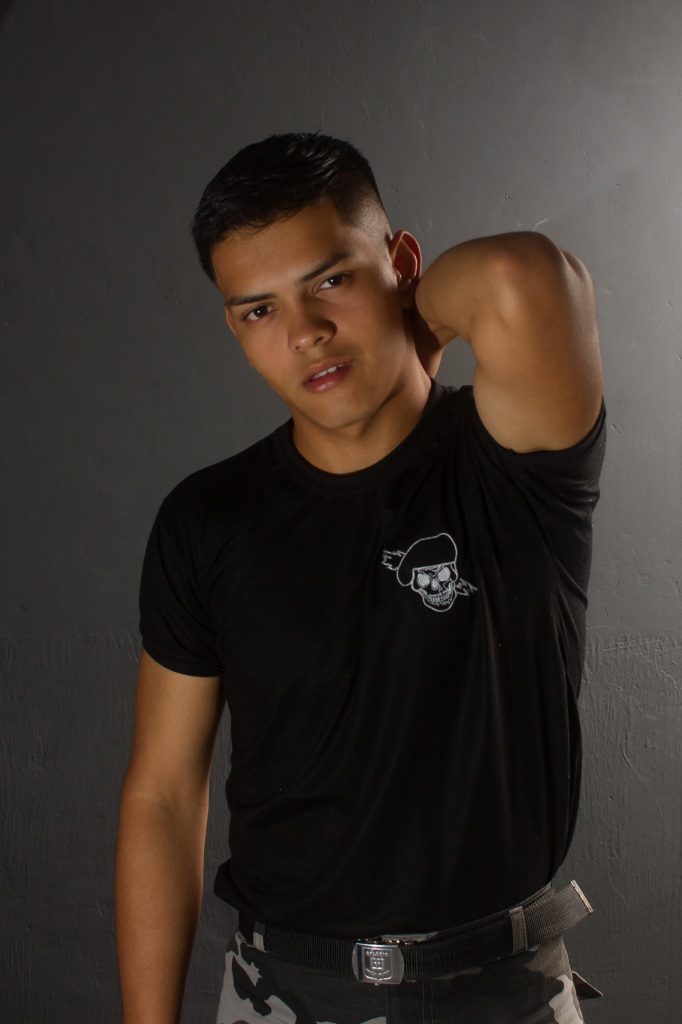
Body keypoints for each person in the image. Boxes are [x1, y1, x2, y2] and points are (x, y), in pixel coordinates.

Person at [115, 133, 605, 1024]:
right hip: (282, 991)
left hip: (506, 991)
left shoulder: (514, 464)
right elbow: (163, 795)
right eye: (259, 310)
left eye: (331, 279)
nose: (304, 332)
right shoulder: (207, 520)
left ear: (403, 264)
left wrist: (421, 324)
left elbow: (522, 276)